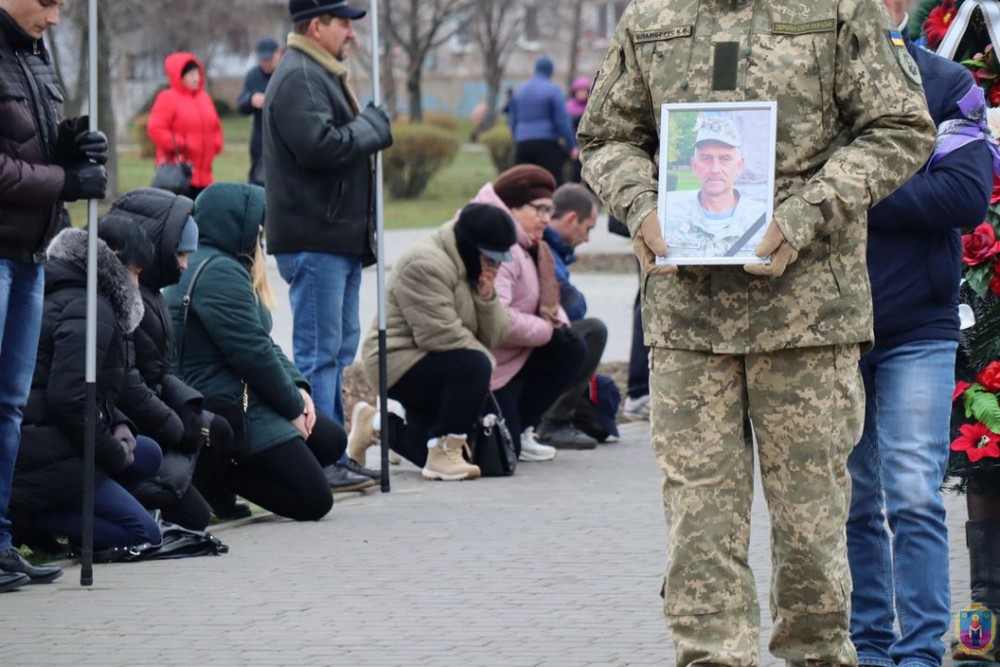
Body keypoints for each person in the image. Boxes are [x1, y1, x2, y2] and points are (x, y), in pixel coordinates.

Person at [577, 0, 936, 663]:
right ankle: (712, 655)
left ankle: (818, 653)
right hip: (688, 318)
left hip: (806, 315)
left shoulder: (837, 10)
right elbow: (604, 136)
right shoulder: (652, 15)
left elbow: (901, 127)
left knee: (812, 521)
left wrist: (804, 214)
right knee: (698, 517)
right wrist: (643, 208)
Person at [846, 1, 996, 664]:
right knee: (852, 501)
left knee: (911, 493)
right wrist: (906, 180)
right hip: (830, 327)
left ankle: (920, 651)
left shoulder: (949, 86)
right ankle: (869, 644)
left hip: (918, 326)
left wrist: (848, 188)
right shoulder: (814, 85)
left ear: (899, 8)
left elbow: (965, 197)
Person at [0, 0, 109, 592]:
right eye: (46, 2)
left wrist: (70, 150)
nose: (57, 16)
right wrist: (66, 181)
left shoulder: (34, 56)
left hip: (29, 254)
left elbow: (28, 149)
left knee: (10, 406)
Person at [165, 183, 353, 521]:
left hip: (244, 394)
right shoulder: (217, 271)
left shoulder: (220, 262)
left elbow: (261, 341)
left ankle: (224, 475)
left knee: (331, 440)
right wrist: (293, 409)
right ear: (231, 222)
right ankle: (221, 473)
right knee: (314, 501)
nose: (261, 230)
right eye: (255, 220)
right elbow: (252, 355)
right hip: (229, 404)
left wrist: (298, 389)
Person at [264, 1, 392, 487]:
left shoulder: (317, 70)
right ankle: (320, 457)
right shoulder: (299, 75)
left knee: (336, 349)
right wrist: (371, 127)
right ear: (316, 26)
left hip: (333, 235)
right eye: (343, 24)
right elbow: (319, 145)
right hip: (315, 235)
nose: (352, 35)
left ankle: (331, 449)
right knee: (319, 352)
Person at [12, 224, 162, 553]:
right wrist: (110, 451)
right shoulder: (91, 308)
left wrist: (119, 423)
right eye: (134, 272)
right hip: (43, 451)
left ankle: (68, 511)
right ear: (115, 264)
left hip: (41, 438)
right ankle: (28, 518)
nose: (137, 284)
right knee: (144, 535)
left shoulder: (61, 290)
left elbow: (83, 385)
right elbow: (69, 399)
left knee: (147, 453)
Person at [103, 188, 246, 526]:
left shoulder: (150, 295)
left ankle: (191, 489)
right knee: (193, 511)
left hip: (150, 410)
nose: (184, 265)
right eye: (180, 254)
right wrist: (175, 424)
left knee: (220, 428)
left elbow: (157, 368)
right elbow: (128, 380)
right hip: (130, 423)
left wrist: (185, 409)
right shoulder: (124, 299)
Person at [351, 204, 515, 481]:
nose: (494, 266)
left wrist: (486, 297)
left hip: (438, 361)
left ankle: (374, 423)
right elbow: (440, 335)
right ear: (471, 248)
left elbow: (497, 335)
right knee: (475, 365)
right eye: (490, 259)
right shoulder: (425, 264)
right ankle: (442, 449)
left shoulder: (474, 268)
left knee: (468, 457)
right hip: (396, 362)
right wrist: (484, 367)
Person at [470, 165, 588, 463]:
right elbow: (499, 320)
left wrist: (555, 321)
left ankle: (522, 427)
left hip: (515, 352)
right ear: (512, 207)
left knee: (572, 345)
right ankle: (395, 420)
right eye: (539, 210)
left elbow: (546, 298)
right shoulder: (502, 245)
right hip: (488, 360)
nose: (547, 219)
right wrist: (546, 329)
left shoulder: (530, 243)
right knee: (500, 457)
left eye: (550, 210)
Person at [534, 183, 607, 449]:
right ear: (571, 219)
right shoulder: (545, 248)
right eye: (588, 228)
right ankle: (554, 421)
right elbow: (568, 308)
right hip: (527, 338)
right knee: (593, 331)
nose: (587, 239)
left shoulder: (553, 248)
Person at [664, 113, 768, 260]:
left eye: (725, 159)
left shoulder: (764, 220)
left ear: (739, 166)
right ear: (694, 166)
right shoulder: (669, 219)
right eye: (706, 158)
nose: (715, 169)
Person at [147, 51, 224, 198]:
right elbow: (155, 128)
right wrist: (179, 143)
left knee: (203, 217)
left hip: (205, 176)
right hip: (179, 174)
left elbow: (215, 125)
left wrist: (216, 143)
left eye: (198, 73)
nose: (196, 78)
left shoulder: (204, 98)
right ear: (179, 76)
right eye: (191, 74)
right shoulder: (167, 98)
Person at [508, 56, 579, 186]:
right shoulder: (553, 90)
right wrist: (572, 146)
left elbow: (512, 120)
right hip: (547, 143)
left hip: (523, 143)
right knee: (551, 183)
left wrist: (516, 138)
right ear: (551, 72)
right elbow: (562, 121)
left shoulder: (520, 91)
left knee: (524, 184)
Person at [236, 37, 282, 186]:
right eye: (262, 60)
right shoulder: (253, 75)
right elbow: (240, 105)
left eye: (269, 59)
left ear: (279, 54)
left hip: (283, 140)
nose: (265, 63)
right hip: (260, 141)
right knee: (259, 185)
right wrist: (251, 100)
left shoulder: (286, 73)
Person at [565, 77, 590, 184]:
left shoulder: (590, 107)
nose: (582, 94)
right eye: (579, 91)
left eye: (584, 91)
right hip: (573, 146)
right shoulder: (568, 107)